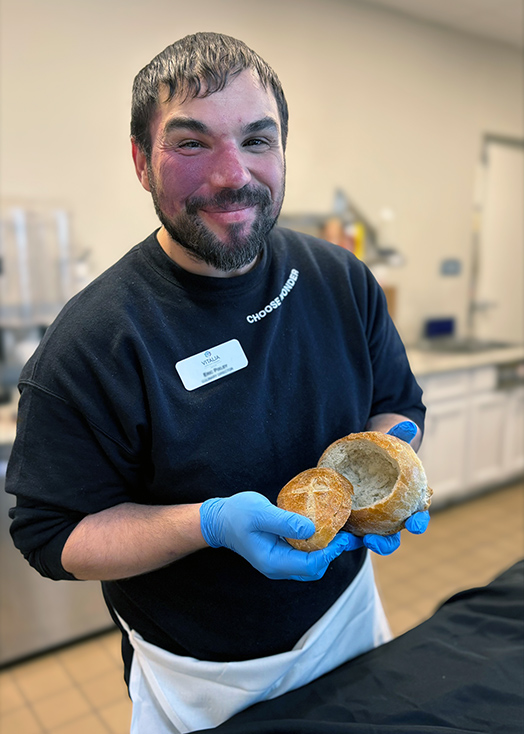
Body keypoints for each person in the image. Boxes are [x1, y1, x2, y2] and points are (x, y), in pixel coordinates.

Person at [6, 32, 429, 733]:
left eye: (258, 140)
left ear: (283, 151)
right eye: (193, 144)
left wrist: (385, 473)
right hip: (202, 676)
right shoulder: (92, 343)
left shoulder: (341, 280)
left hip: (347, 620)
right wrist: (206, 524)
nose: (233, 174)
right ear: (142, 162)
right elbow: (53, 535)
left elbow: (396, 403)